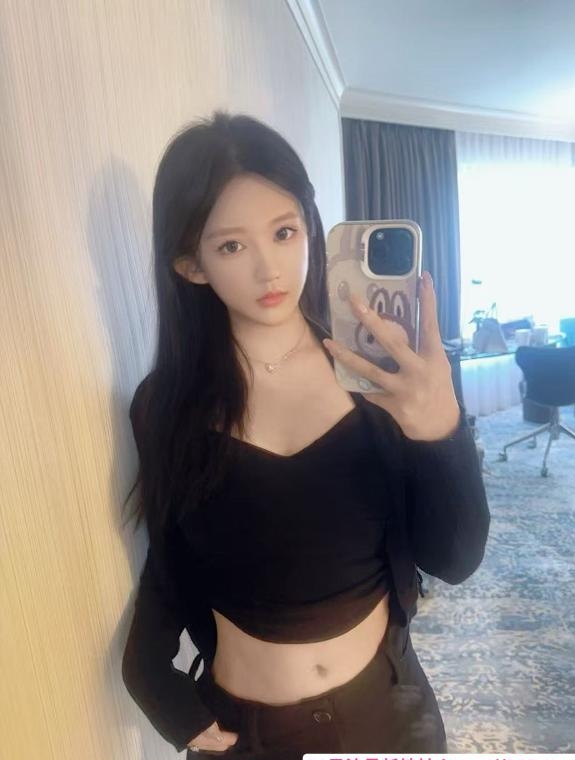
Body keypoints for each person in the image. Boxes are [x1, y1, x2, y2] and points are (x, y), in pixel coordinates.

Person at [120, 110, 490, 759]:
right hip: (247, 735)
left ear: (310, 230)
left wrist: (441, 430)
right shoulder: (165, 406)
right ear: (191, 264)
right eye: (231, 246)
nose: (270, 269)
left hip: (387, 716)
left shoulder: (383, 377)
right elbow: (173, 555)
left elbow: (454, 561)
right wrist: (150, 677)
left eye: (284, 232)